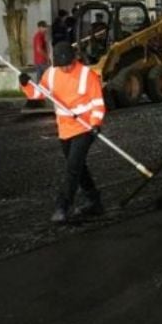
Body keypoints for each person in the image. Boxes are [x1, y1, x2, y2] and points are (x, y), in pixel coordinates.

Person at [19, 41, 105, 223]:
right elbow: (37, 95)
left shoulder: (87, 75)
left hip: (85, 127)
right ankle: (94, 201)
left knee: (72, 169)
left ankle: (62, 207)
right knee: (78, 167)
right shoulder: (51, 74)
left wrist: (96, 123)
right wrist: (26, 84)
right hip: (65, 129)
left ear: (74, 59)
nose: (65, 69)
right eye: (62, 66)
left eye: (68, 65)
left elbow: (98, 103)